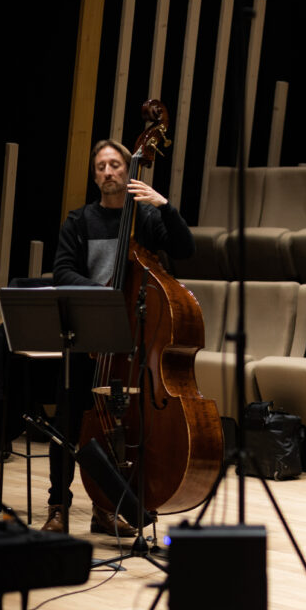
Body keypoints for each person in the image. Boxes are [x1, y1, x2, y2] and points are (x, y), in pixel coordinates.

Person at [42, 139, 196, 535]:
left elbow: (185, 248)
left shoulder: (146, 219)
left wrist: (164, 206)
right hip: (86, 337)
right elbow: (63, 272)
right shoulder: (79, 221)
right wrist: (104, 296)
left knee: (121, 428)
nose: (108, 172)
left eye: (115, 165)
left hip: (133, 343)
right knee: (66, 423)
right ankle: (58, 507)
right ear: (94, 176)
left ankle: (106, 507)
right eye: (101, 167)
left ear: (129, 171)